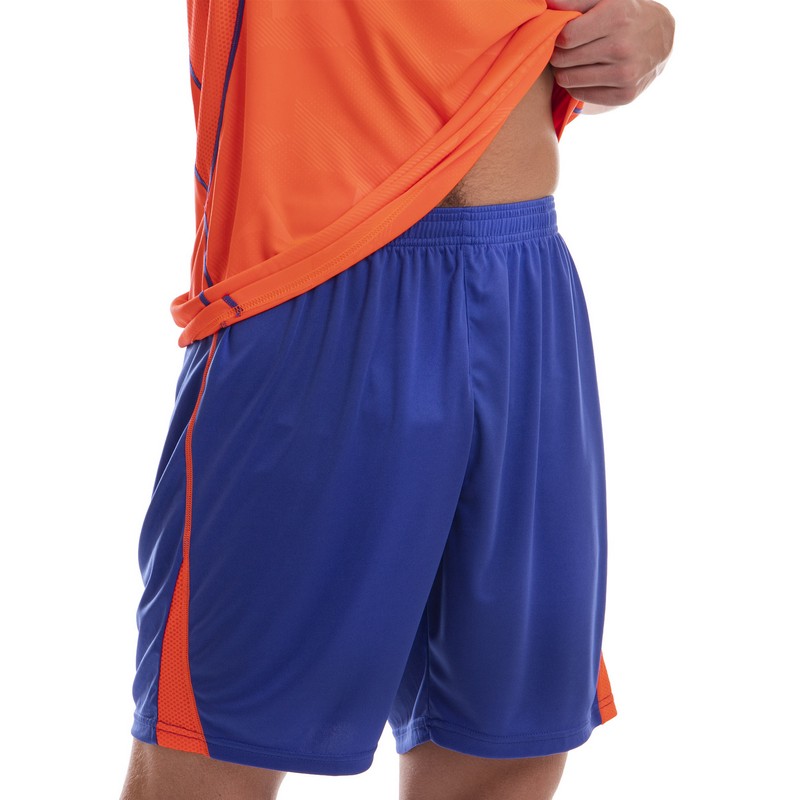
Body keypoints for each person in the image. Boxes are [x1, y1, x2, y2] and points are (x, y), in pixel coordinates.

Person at [120, 1, 675, 798]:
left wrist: (644, 24)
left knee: (503, 746)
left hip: (523, 278)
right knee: (214, 749)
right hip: (311, 283)